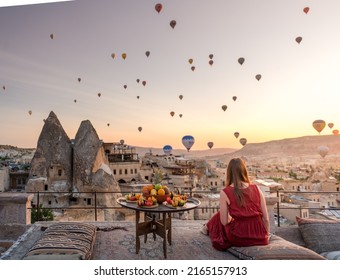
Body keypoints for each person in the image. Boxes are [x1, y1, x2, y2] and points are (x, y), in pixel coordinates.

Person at [201, 158, 270, 251]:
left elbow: (224, 222)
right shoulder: (256, 188)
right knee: (221, 214)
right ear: (244, 170)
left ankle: (206, 228)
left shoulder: (225, 192)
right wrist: (266, 235)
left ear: (229, 172)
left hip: (238, 237)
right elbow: (266, 219)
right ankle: (206, 227)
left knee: (220, 214)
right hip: (260, 237)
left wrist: (232, 217)